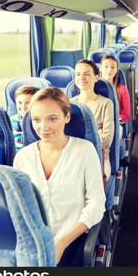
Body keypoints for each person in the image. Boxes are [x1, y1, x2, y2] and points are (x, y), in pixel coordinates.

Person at [13, 87, 105, 266]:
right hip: (35, 242)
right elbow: (20, 207)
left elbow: (96, 203)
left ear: (67, 117)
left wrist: (61, 243)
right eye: (36, 120)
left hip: (73, 238)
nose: (43, 127)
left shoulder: (85, 150)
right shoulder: (22, 157)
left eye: (52, 119)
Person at [71, 59, 114, 178]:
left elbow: (107, 141)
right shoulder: (69, 104)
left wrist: (77, 140)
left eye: (87, 74)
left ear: (96, 77)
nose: (82, 78)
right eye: (78, 74)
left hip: (98, 155)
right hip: (73, 156)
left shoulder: (106, 103)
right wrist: (96, 133)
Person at [100, 55, 130, 126]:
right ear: (100, 68)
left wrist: (110, 123)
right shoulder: (92, 87)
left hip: (116, 125)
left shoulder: (122, 89)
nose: (109, 70)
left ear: (116, 70)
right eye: (106, 67)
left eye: (113, 67)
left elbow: (125, 115)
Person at [10, 85, 39, 151]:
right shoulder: (11, 121)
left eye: (28, 103)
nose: (23, 107)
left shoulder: (39, 122)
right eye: (19, 103)